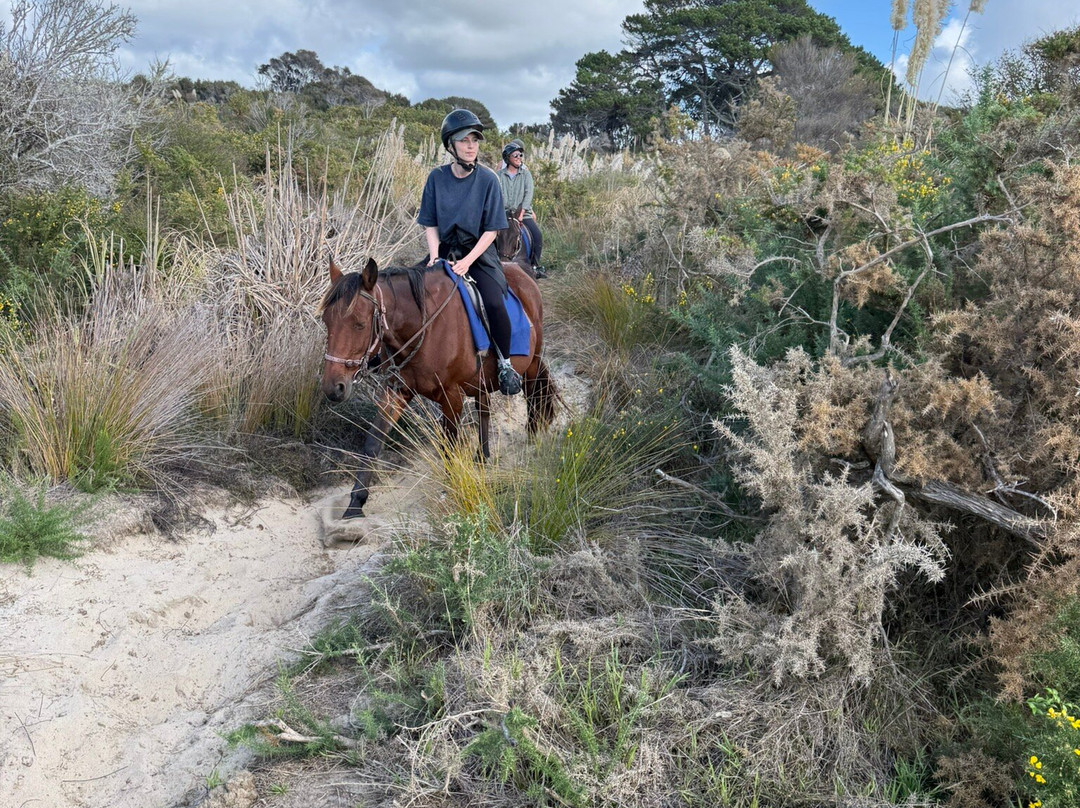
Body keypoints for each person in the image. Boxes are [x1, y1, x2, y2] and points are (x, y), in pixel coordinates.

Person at [417, 108, 522, 396]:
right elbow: (430, 222)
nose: (471, 145)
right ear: (451, 144)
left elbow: (492, 230)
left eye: (475, 139)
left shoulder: (489, 179)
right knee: (408, 291)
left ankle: (504, 363)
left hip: (478, 253)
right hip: (443, 250)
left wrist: (467, 262)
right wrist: (435, 255)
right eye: (464, 140)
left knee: (494, 302)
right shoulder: (436, 178)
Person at [496, 140, 546, 278]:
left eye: (520, 155)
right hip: (504, 213)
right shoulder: (499, 175)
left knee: (537, 235)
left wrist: (522, 211)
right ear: (508, 158)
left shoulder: (526, 175)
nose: (519, 158)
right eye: (515, 156)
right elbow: (496, 195)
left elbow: (528, 194)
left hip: (523, 213)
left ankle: (535, 266)